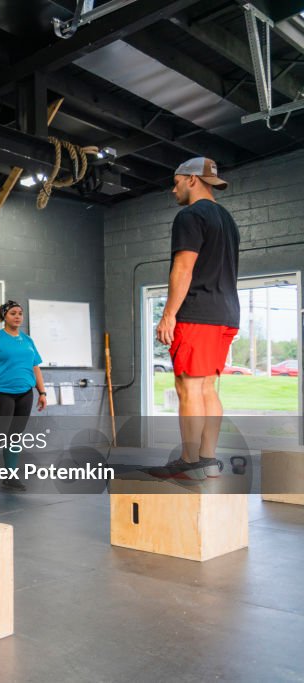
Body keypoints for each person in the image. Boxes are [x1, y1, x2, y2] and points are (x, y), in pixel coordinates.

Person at [153, 157, 239, 480]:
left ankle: (190, 462)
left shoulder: (189, 216)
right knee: (206, 387)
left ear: (191, 180)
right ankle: (206, 460)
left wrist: (168, 315)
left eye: (175, 182)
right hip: (226, 314)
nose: (173, 189)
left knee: (187, 386)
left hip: (198, 313)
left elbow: (184, 269)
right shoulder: (227, 220)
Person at [0, 300, 48, 494]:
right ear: (4, 317)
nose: (18, 317)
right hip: (1, 394)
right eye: (13, 313)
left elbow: (36, 367)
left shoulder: (27, 340)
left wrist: (42, 392)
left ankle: (10, 477)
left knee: (15, 437)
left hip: (25, 394)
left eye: (20, 313)